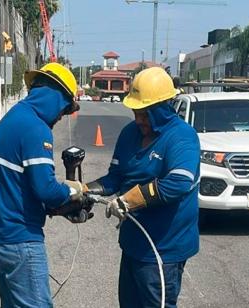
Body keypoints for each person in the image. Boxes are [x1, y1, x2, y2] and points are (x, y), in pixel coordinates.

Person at [0, 62, 94, 307]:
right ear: (57, 99)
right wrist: (75, 190)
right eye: (65, 109)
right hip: (18, 240)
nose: (62, 116)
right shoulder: (36, 128)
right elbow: (46, 190)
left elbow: (20, 187)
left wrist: (60, 208)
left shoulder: (13, 118)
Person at [85, 67, 200, 308]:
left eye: (146, 114)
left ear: (163, 107)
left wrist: (127, 201)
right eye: (136, 111)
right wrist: (85, 190)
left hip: (163, 250)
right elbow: (115, 178)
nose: (139, 119)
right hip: (133, 244)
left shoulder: (182, 136)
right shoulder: (130, 133)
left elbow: (178, 184)